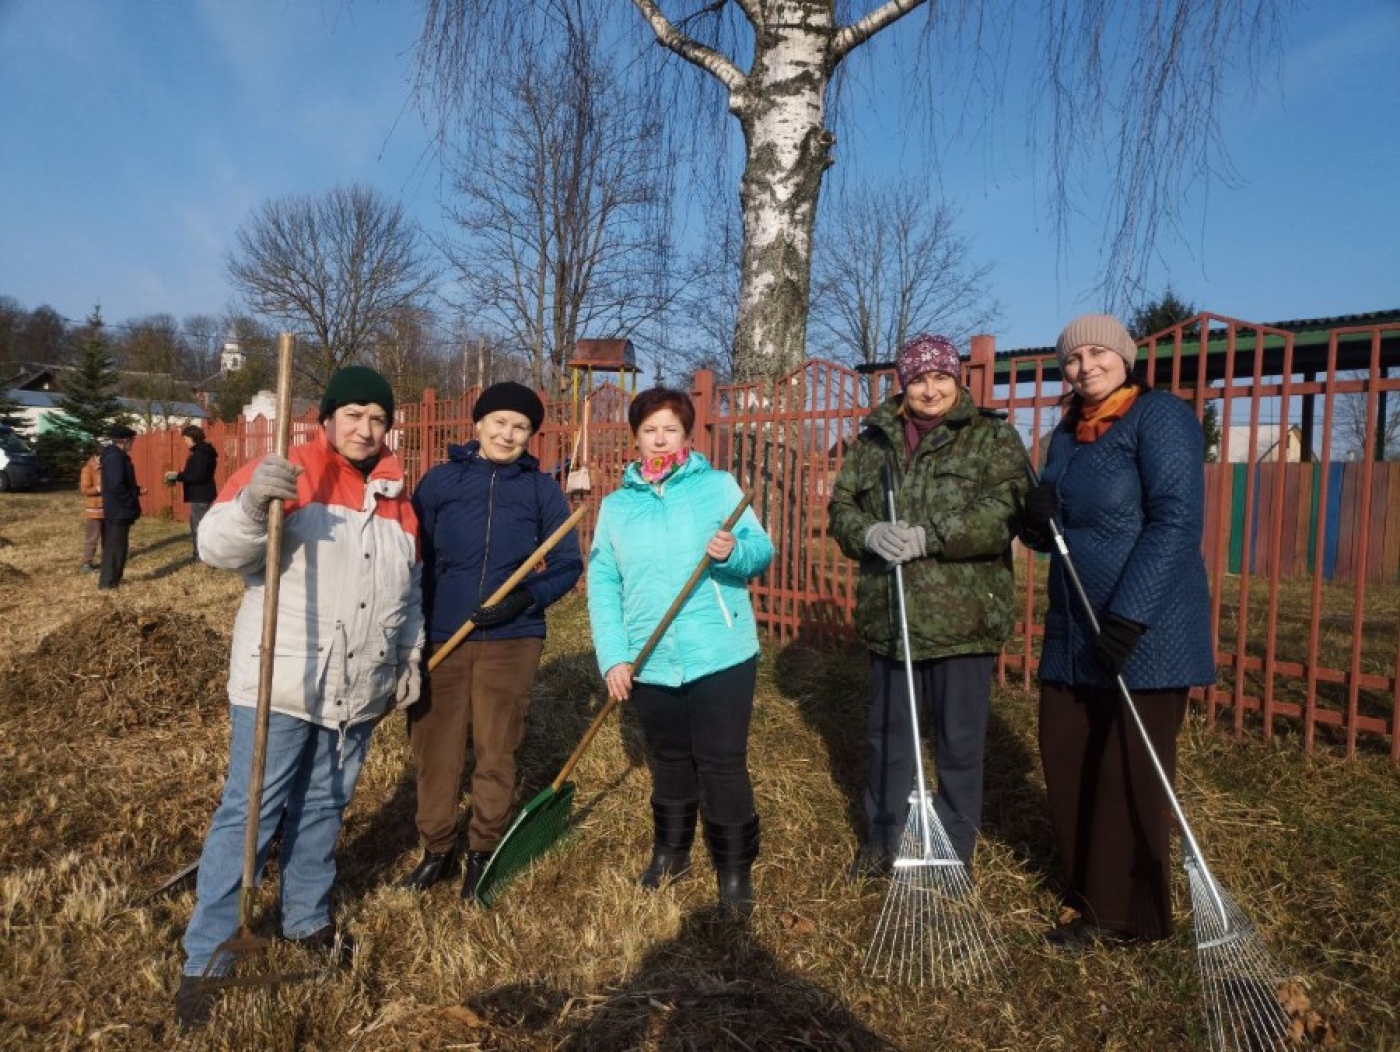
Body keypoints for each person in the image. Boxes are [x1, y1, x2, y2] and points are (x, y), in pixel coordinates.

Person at [175, 366, 424, 1029]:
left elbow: (410, 590)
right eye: (354, 416)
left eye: (378, 419)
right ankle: (206, 956)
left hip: (359, 685)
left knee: (324, 806)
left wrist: (408, 654)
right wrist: (254, 504)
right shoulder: (287, 473)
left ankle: (305, 918)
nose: (366, 429)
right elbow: (216, 548)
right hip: (281, 680)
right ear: (328, 418)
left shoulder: (397, 495)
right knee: (250, 813)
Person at [1020, 313, 1215, 950]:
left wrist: (1130, 617)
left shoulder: (1160, 418)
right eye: (1073, 359)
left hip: (1146, 627)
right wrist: (1034, 520)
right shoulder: (1067, 433)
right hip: (1075, 625)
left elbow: (1176, 521)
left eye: (1098, 353)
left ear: (1125, 357)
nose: (1086, 367)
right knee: (1066, 747)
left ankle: (1126, 915)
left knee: (1126, 765)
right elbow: (1053, 535)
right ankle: (1086, 888)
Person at [828, 334, 1027, 877]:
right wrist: (868, 533)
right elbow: (841, 507)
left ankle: (952, 851)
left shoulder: (990, 437)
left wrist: (929, 536)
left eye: (940, 377)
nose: (930, 390)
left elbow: (1003, 512)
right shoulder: (875, 440)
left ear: (956, 379)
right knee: (889, 739)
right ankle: (883, 838)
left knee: (959, 743)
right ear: (904, 384)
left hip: (963, 620)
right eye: (918, 379)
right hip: (892, 619)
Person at [587, 387, 773, 915]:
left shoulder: (716, 487)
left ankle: (734, 870)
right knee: (668, 759)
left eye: (670, 429)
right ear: (635, 438)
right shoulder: (617, 507)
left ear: (686, 435)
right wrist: (614, 656)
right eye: (650, 430)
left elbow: (761, 550)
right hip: (649, 656)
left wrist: (733, 551)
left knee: (722, 762)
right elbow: (603, 582)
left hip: (720, 650)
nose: (660, 439)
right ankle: (672, 852)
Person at [401, 381, 583, 899]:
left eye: (521, 427)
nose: (508, 434)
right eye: (499, 422)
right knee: (435, 748)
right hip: (444, 635)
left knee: (497, 747)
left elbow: (567, 563)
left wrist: (524, 600)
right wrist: (413, 630)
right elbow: (413, 557)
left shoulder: (541, 490)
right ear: (478, 424)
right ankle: (436, 848)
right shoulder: (440, 482)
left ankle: (482, 848)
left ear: (531, 435)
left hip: (512, 639)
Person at [165, 423, 219, 562]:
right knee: (200, 525)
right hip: (202, 494)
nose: (185, 441)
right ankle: (202, 554)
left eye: (185, 439)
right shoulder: (203, 452)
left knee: (199, 527)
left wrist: (178, 476)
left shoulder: (201, 454)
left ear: (192, 437)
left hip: (200, 495)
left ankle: (201, 556)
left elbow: (198, 476)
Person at [98, 424, 142, 590]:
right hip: (118, 509)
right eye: (132, 440)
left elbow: (121, 482)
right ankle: (109, 583)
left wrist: (136, 490)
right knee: (116, 547)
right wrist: (129, 500)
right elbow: (116, 485)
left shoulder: (115, 456)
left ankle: (111, 580)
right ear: (124, 441)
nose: (133, 443)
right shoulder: (115, 458)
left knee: (116, 545)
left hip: (117, 508)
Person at [78, 447, 102, 572]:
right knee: (92, 537)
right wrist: (98, 489)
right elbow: (84, 490)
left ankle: (108, 560)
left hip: (108, 509)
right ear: (97, 456)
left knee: (109, 538)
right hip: (94, 510)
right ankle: (87, 563)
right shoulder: (88, 469)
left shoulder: (107, 468)